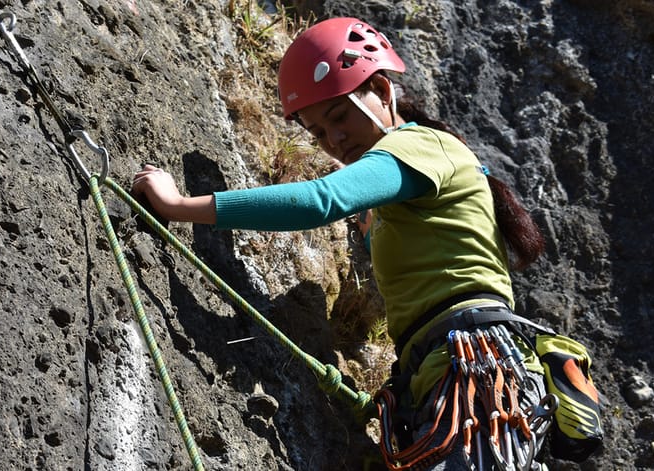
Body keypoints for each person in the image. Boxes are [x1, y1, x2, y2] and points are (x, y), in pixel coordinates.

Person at [132, 17, 551, 470]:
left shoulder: (423, 145)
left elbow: (320, 201)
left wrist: (176, 205)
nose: (335, 140)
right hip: (445, 375)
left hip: (471, 367)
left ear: (384, 92)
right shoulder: (393, 203)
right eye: (317, 133)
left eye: (340, 116)